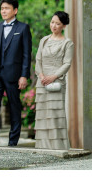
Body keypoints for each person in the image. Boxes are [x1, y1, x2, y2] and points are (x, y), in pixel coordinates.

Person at [0, 0, 32, 147]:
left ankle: (13, 141)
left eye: (7, 8)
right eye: (2, 8)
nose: (3, 11)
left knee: (14, 106)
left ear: (15, 10)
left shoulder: (23, 28)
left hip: (14, 75)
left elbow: (26, 54)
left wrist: (24, 75)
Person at [34, 11, 74, 150]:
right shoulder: (44, 40)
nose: (54, 25)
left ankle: (58, 147)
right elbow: (38, 60)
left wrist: (53, 76)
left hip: (57, 82)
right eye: (52, 22)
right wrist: (41, 76)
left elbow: (67, 64)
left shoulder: (67, 43)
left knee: (55, 113)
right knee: (43, 114)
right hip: (42, 81)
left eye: (57, 23)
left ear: (63, 25)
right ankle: (42, 147)